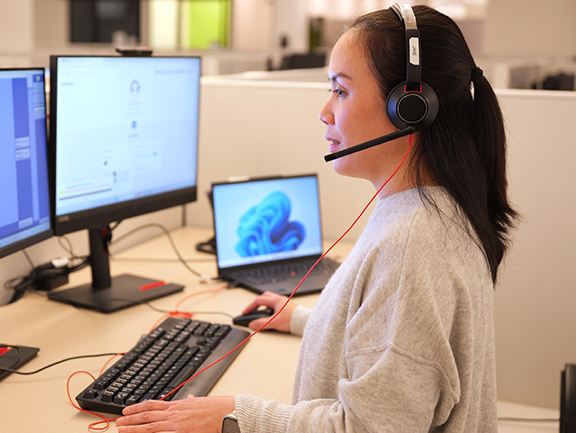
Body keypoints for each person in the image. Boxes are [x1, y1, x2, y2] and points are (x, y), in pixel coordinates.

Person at [116, 4, 517, 432]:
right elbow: (399, 342)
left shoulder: (412, 244)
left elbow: (367, 428)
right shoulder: (432, 209)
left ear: (409, 107)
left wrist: (234, 416)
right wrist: (307, 319)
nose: (325, 111)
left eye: (340, 91)